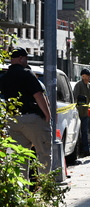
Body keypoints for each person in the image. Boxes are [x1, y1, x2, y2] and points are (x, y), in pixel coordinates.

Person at [0, 47, 52, 179]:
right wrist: (47, 114)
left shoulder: (4, 77)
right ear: (21, 58)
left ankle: (23, 192)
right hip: (32, 119)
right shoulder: (27, 73)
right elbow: (38, 95)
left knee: (20, 157)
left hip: (14, 121)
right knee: (43, 153)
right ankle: (45, 187)